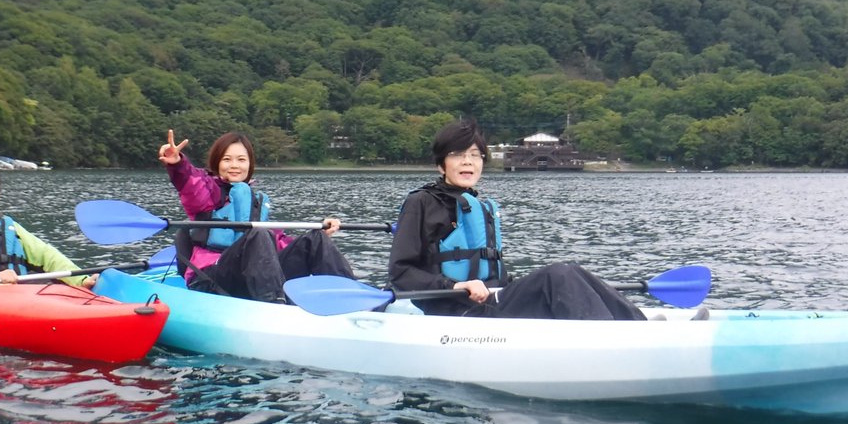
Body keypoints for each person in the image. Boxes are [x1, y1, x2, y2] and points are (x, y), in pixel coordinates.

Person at [387, 119, 649, 320]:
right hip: (458, 315)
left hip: (493, 302)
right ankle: (613, 341)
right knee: (557, 275)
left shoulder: (479, 205)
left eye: (475, 155)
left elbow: (494, 274)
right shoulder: (421, 202)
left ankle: (638, 326)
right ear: (441, 164)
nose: (468, 161)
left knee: (572, 271)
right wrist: (456, 284)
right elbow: (401, 273)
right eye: (458, 155)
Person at [157, 129, 355, 302]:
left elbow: (279, 243)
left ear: (249, 164)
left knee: (314, 239)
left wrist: (321, 231)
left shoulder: (257, 200)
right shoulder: (208, 193)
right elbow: (191, 183)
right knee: (259, 234)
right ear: (217, 163)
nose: (234, 165)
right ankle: (275, 306)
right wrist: (177, 165)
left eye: (241, 160)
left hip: (252, 277)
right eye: (227, 159)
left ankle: (350, 298)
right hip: (211, 277)